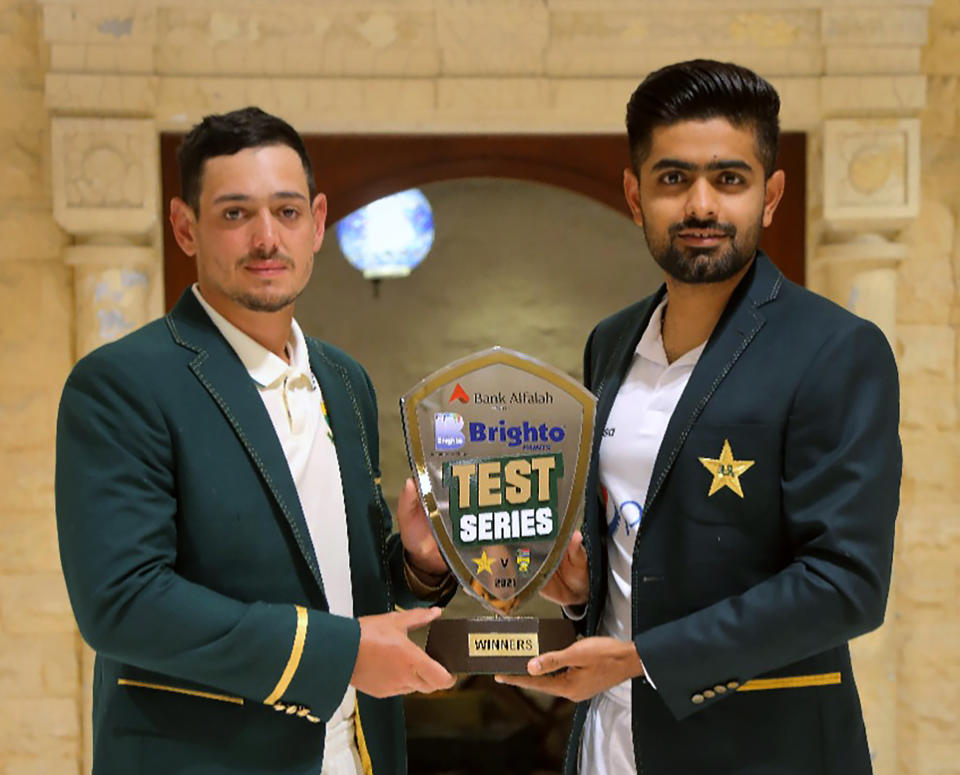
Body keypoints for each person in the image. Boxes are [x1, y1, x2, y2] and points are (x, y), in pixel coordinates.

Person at [497, 60, 901, 774]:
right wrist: (582, 591)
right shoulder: (610, 342)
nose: (701, 205)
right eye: (674, 178)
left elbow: (847, 584)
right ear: (634, 193)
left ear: (771, 196)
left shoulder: (835, 349)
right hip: (610, 744)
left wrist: (639, 658)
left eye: (731, 179)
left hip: (759, 748)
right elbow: (642, 538)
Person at [55, 106, 457, 775]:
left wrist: (418, 563)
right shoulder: (122, 383)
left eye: (288, 211)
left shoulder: (343, 379)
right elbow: (123, 601)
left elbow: (338, 589)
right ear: (186, 227)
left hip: (356, 756)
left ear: (319, 222)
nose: (267, 238)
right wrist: (341, 654)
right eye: (236, 214)